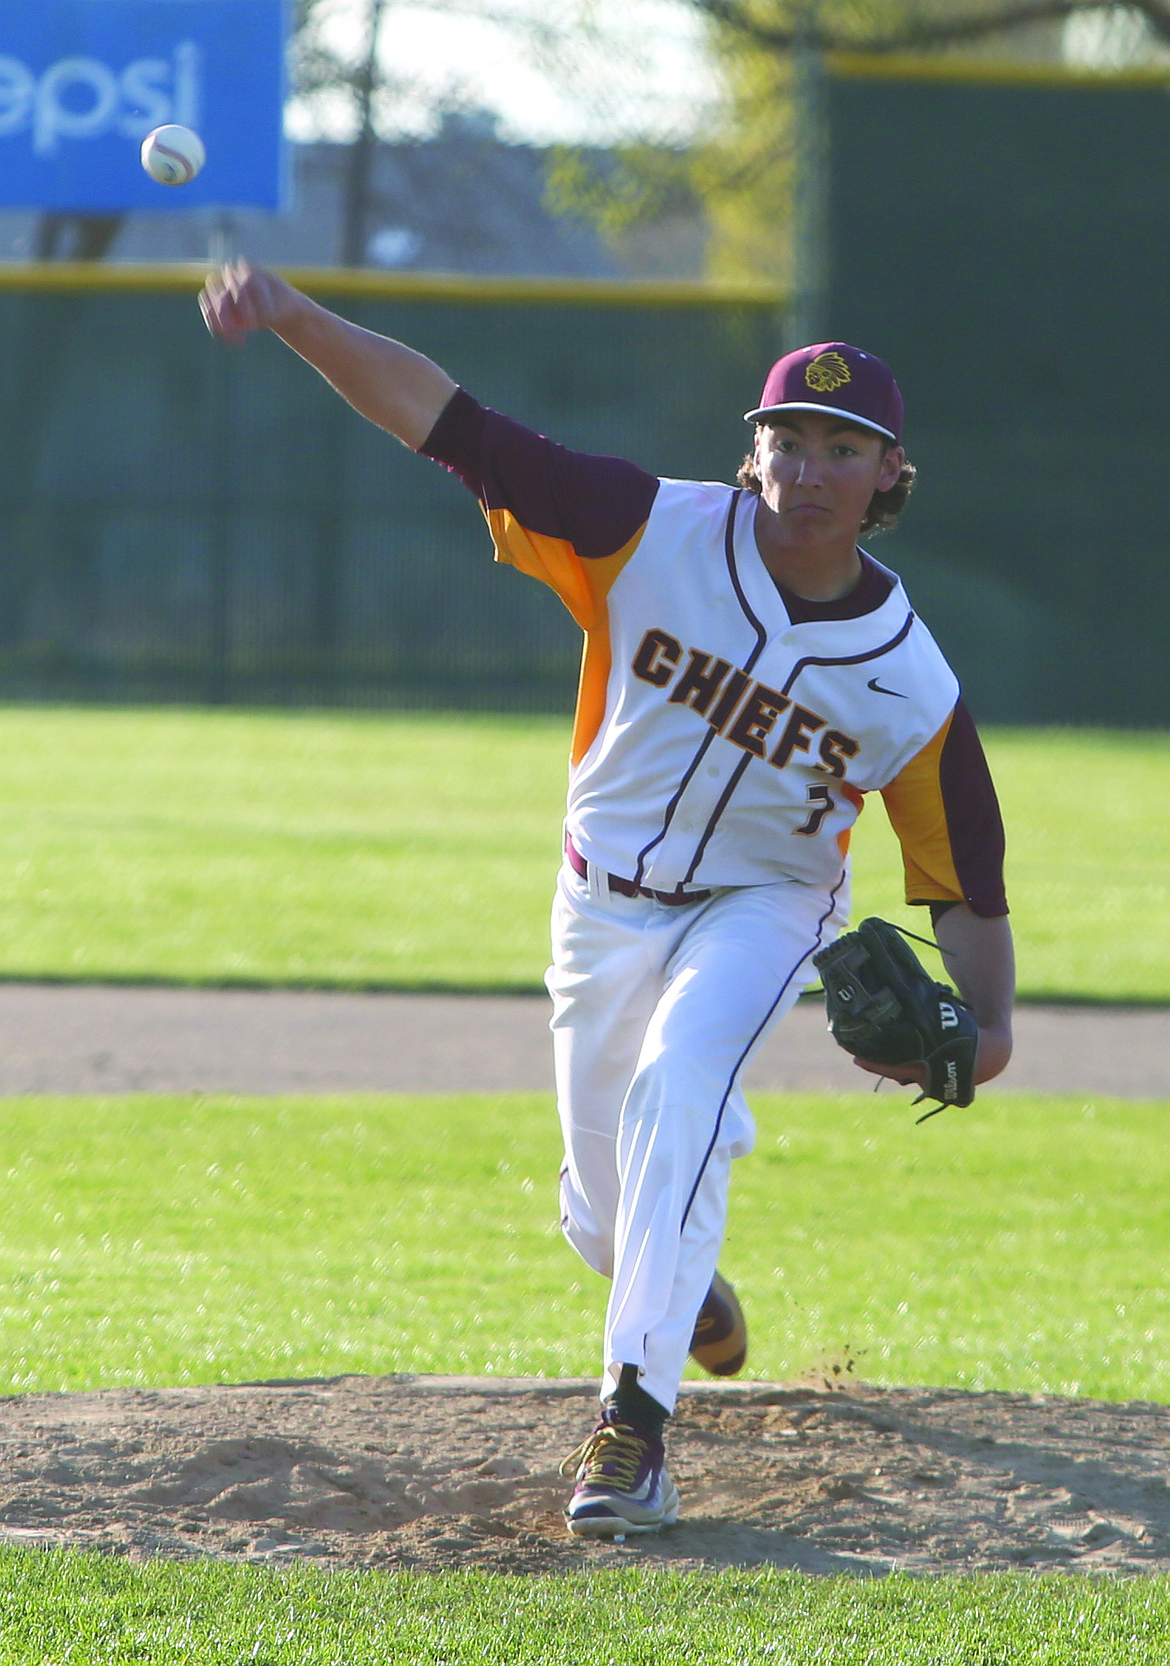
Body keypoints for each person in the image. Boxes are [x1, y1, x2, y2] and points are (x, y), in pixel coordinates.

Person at [199, 266, 1015, 1540]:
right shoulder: (645, 526)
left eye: (840, 448)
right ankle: (677, 1286)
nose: (807, 467)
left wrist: (997, 1025)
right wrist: (297, 317)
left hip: (765, 907)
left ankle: (634, 1424)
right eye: (785, 438)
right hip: (602, 901)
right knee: (601, 1202)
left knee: (678, 1088)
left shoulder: (909, 681)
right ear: (751, 455)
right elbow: (449, 425)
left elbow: (966, 873)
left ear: (888, 477)